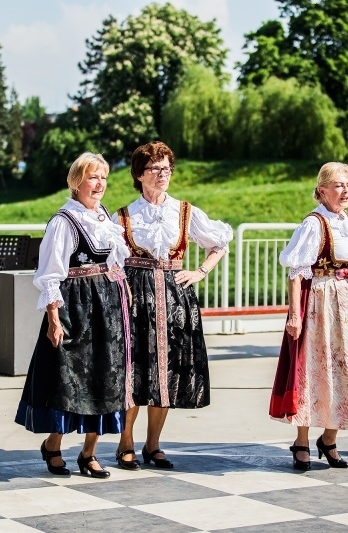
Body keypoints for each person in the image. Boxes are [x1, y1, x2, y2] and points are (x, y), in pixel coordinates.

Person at [113, 141, 232, 470]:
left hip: (173, 297)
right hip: (136, 298)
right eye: (155, 168)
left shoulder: (184, 211)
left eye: (166, 168)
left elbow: (219, 243)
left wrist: (200, 272)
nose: (162, 174)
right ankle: (126, 442)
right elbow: (111, 259)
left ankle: (153, 445)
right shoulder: (124, 216)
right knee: (134, 371)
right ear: (139, 174)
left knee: (166, 371)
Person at [15, 152, 130, 479]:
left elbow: (116, 263)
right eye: (93, 177)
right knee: (69, 381)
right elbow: (50, 274)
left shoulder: (104, 217)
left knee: (105, 378)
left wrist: (123, 297)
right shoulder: (64, 221)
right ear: (76, 181)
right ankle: (53, 445)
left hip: (106, 307)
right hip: (75, 307)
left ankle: (89, 453)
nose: (99, 184)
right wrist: (54, 318)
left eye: (103, 177)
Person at [270, 162, 348, 470]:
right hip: (321, 303)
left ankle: (330, 439)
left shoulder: (346, 220)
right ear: (322, 190)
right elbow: (296, 271)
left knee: (347, 368)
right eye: (338, 185)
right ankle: (302, 441)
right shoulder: (314, 223)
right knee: (315, 368)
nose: (345, 191)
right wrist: (294, 315)